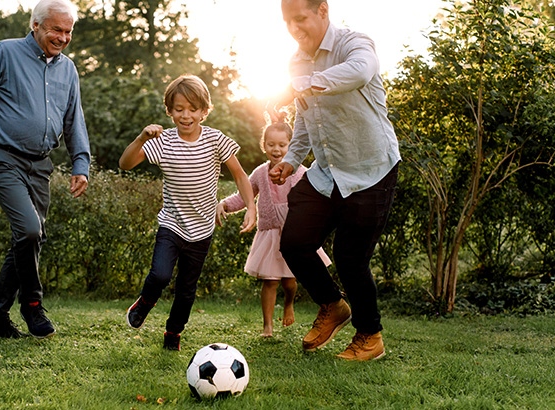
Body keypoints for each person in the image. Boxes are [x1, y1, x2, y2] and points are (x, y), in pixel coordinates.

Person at [0, 0, 91, 339]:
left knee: (30, 238)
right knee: (29, 230)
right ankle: (32, 305)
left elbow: (74, 120)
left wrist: (80, 163)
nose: (63, 37)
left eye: (68, 31)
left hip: (41, 164)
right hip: (4, 157)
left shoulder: (68, 69)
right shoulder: (4, 53)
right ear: (36, 25)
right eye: (57, 29)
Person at [270, 0, 401, 361]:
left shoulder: (354, 43)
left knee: (349, 257)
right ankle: (332, 305)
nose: (294, 28)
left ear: (322, 10)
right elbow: (306, 119)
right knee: (294, 242)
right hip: (328, 172)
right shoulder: (297, 61)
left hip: (371, 170)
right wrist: (293, 159)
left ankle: (370, 336)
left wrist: (305, 82)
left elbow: (359, 72)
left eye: (300, 18)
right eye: (287, 21)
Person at [119, 74, 256, 351]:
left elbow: (241, 176)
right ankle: (145, 301)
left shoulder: (216, 140)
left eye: (193, 109)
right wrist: (141, 138)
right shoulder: (162, 142)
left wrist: (251, 206)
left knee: (186, 291)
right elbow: (125, 164)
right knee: (159, 276)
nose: (186, 115)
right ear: (169, 111)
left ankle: (173, 334)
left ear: (204, 111)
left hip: (202, 229)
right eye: (179, 109)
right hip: (171, 224)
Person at [216, 112, 331, 338]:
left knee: (289, 282)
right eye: (271, 145)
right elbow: (245, 196)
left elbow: (316, 196)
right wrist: (225, 205)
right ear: (264, 145)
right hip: (269, 234)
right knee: (270, 282)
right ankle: (267, 326)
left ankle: (289, 303)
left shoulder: (299, 172)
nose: (276, 149)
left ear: (291, 146)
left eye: (282, 145)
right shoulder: (260, 172)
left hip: (293, 233)